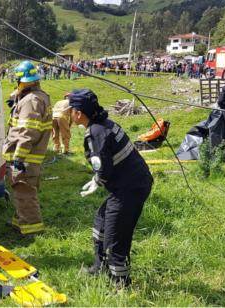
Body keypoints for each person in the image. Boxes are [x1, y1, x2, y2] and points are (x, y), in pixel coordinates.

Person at [68, 89, 153, 288]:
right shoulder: (103, 124)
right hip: (129, 184)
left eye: (71, 110)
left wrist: (98, 180)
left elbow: (103, 166)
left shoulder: (95, 133)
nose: (69, 113)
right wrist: (98, 178)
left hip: (130, 189)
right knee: (101, 222)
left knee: (115, 238)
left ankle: (121, 285)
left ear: (79, 113)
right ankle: (99, 269)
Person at [3, 60, 52, 237]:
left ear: (21, 80)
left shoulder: (31, 101)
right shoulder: (35, 97)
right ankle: (19, 223)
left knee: (25, 193)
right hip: (28, 157)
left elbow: (27, 132)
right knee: (20, 193)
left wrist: (18, 158)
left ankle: (32, 231)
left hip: (25, 158)